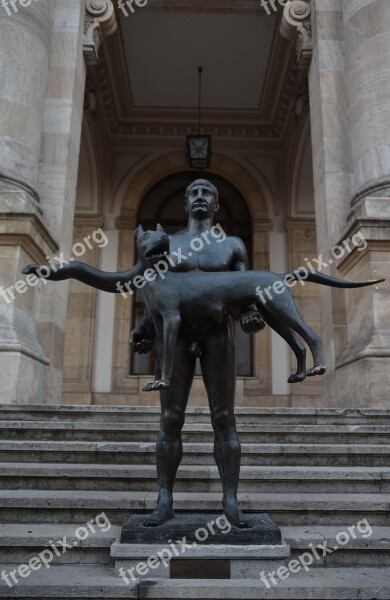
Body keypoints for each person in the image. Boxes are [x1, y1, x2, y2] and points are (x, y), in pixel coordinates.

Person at [130, 179, 264, 527]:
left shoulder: (233, 245)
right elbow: (157, 292)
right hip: (174, 336)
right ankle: (164, 498)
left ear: (216, 205)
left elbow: (242, 288)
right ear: (186, 203)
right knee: (171, 418)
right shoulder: (167, 243)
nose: (200, 196)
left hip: (218, 333)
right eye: (194, 192)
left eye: (208, 193)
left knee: (224, 418)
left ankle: (231, 501)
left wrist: (249, 311)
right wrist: (144, 328)